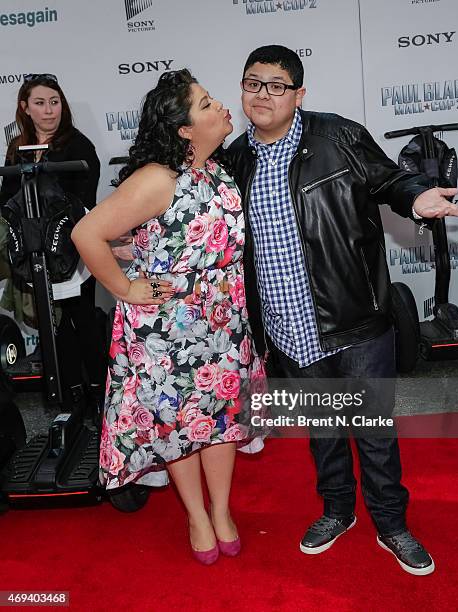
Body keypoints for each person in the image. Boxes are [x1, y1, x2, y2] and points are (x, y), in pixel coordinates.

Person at [227, 45, 458, 576]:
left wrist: (416, 198)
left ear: (299, 94)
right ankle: (338, 510)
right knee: (322, 432)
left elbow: (389, 180)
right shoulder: (235, 160)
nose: (262, 94)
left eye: (276, 85)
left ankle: (391, 523)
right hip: (287, 326)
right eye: (252, 83)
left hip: (354, 318)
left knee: (374, 431)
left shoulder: (336, 136)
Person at [72, 69, 262, 565]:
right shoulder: (158, 177)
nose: (221, 107)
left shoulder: (217, 171)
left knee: (219, 420)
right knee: (181, 426)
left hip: (222, 322)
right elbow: (85, 234)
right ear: (183, 129)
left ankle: (221, 511)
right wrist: (125, 287)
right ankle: (197, 517)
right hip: (169, 330)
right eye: (205, 104)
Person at [0, 73, 106, 406]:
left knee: (83, 319)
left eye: (55, 102)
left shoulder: (78, 145)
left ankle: (101, 394)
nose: (49, 110)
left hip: (73, 252)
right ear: (25, 108)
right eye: (40, 103)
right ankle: (69, 391)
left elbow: (81, 202)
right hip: (34, 254)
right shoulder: (18, 148)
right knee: (52, 325)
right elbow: (8, 199)